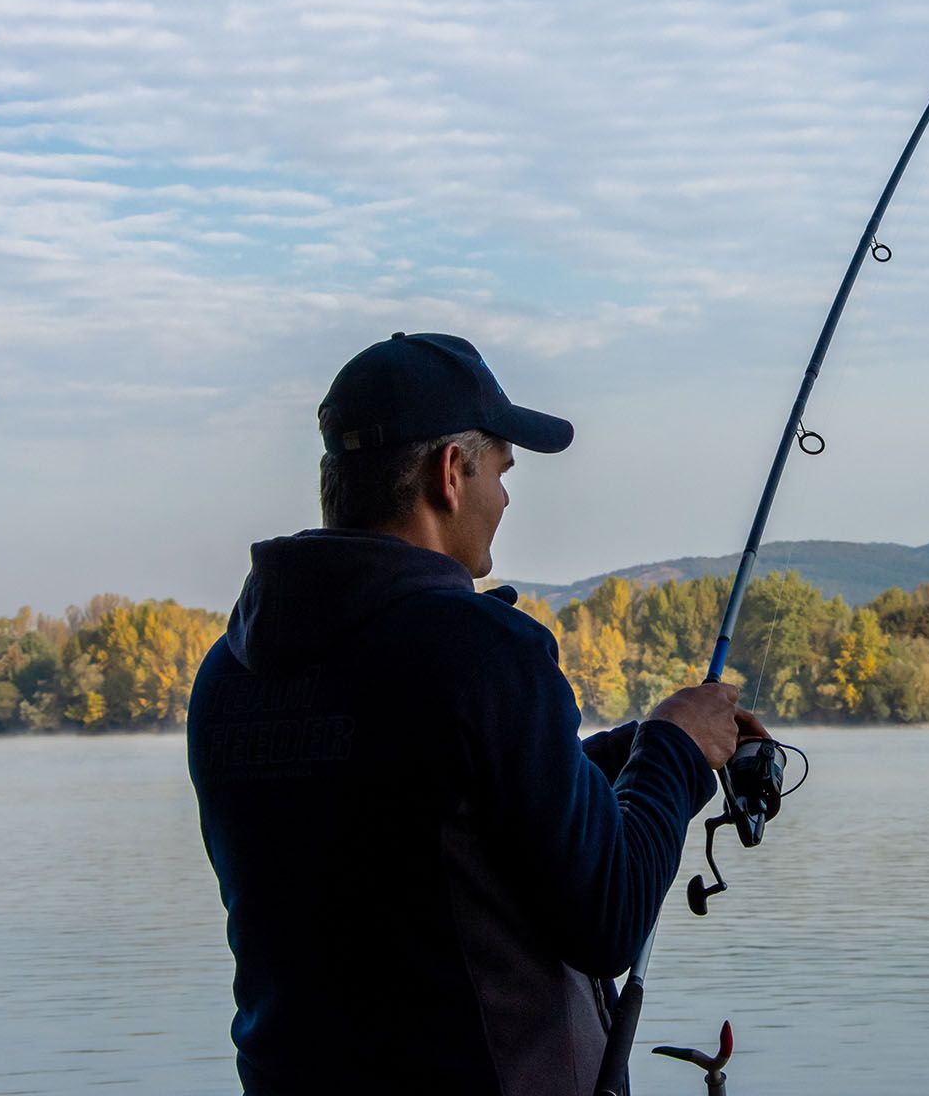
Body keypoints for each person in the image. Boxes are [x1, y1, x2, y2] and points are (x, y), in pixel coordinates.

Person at [187, 331, 763, 1096]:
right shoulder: (484, 653)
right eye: (502, 468)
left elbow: (429, 819)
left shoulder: (229, 674)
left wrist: (632, 748)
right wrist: (676, 753)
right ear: (450, 473)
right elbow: (610, 915)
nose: (506, 496)